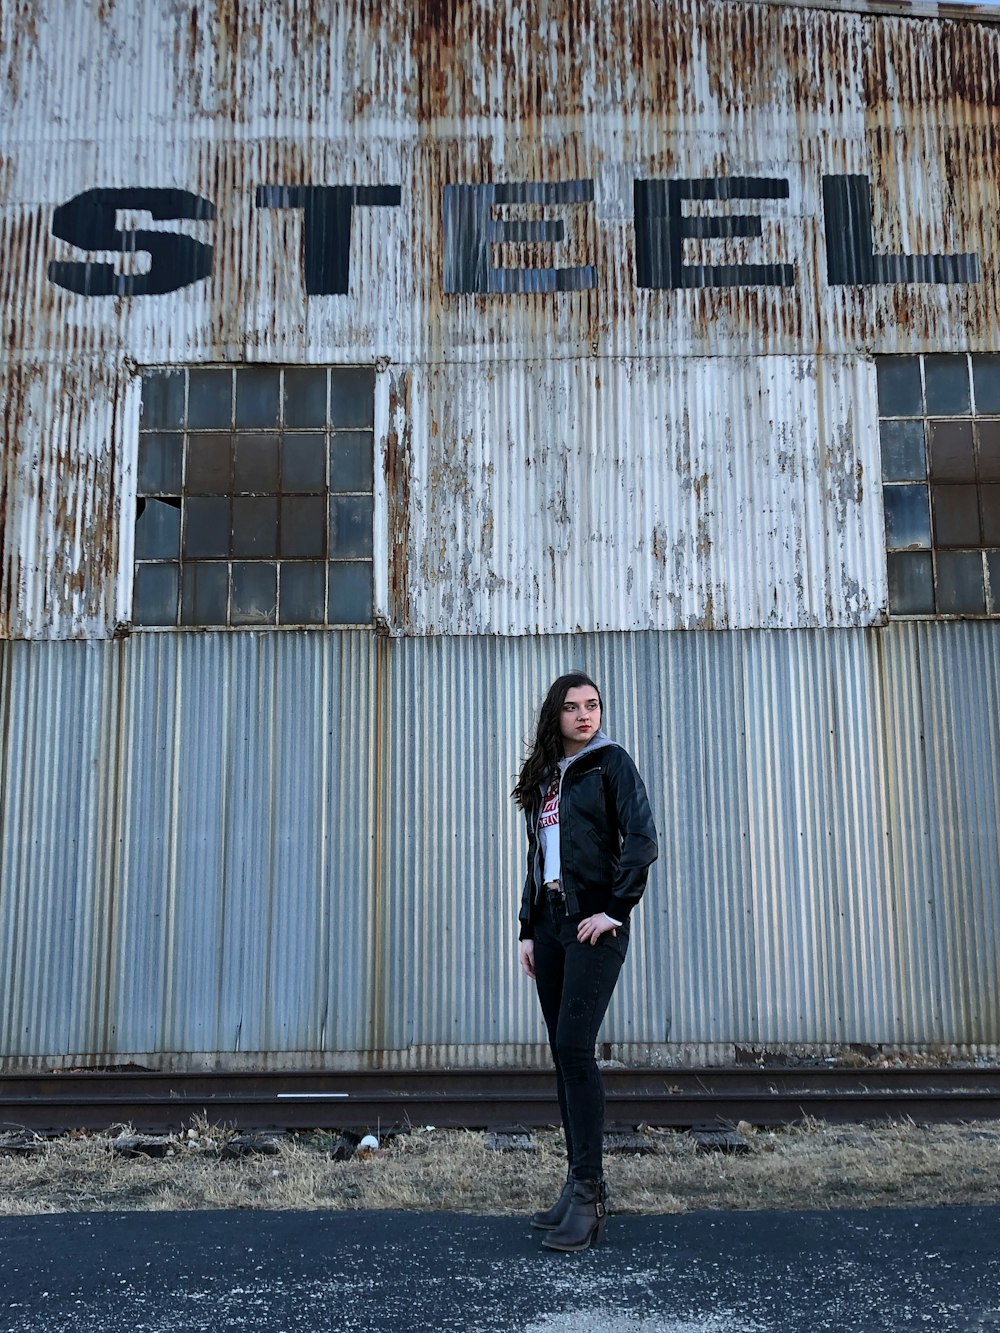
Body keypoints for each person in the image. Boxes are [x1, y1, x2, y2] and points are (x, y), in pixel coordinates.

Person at [513, 671, 658, 1252]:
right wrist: (527, 928)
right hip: (550, 925)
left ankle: (590, 1193)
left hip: (593, 925)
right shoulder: (547, 776)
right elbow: (538, 857)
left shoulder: (611, 763)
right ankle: (575, 1186)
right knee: (562, 1056)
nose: (584, 715)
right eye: (573, 707)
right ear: (556, 714)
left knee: (576, 1049)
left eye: (592, 705)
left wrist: (614, 910)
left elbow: (642, 840)